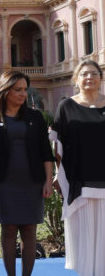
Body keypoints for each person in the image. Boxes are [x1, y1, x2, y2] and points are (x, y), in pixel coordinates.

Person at [0, 70, 54, 276]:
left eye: (25, 90)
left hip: (33, 182)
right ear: (5, 91)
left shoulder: (35, 118)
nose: (23, 94)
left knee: (29, 230)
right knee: (9, 229)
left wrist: (48, 181)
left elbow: (47, 153)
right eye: (17, 89)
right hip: (4, 183)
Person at [51, 60, 105, 276]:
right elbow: (57, 143)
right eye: (84, 74)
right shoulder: (66, 106)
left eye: (94, 73)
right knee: (84, 234)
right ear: (76, 80)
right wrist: (57, 174)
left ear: (101, 78)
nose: (89, 77)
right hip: (78, 180)